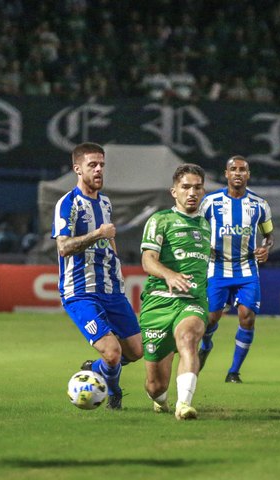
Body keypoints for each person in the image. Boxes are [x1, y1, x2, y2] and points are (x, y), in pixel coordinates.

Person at [52, 142, 143, 410]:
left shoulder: (104, 202)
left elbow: (109, 239)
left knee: (135, 352)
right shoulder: (67, 203)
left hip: (111, 290)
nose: (99, 169)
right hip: (80, 292)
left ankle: (94, 368)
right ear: (77, 169)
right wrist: (97, 234)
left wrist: (116, 265)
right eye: (93, 165)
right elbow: (64, 247)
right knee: (113, 352)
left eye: (102, 164)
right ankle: (114, 394)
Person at [139, 164, 210, 420]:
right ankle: (161, 399)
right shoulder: (160, 221)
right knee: (155, 386)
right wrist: (170, 275)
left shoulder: (208, 226)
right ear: (174, 191)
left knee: (189, 338)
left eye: (197, 187)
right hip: (158, 303)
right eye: (186, 187)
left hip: (192, 301)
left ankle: (184, 404)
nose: (192, 192)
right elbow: (148, 260)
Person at [197, 155, 274, 383]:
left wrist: (265, 248)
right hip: (216, 268)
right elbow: (197, 229)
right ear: (226, 174)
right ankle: (206, 344)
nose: (238, 173)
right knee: (210, 318)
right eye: (234, 169)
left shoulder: (260, 205)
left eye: (242, 169)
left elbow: (268, 235)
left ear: (248, 175)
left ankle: (233, 372)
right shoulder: (210, 202)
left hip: (247, 269)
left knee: (247, 317)